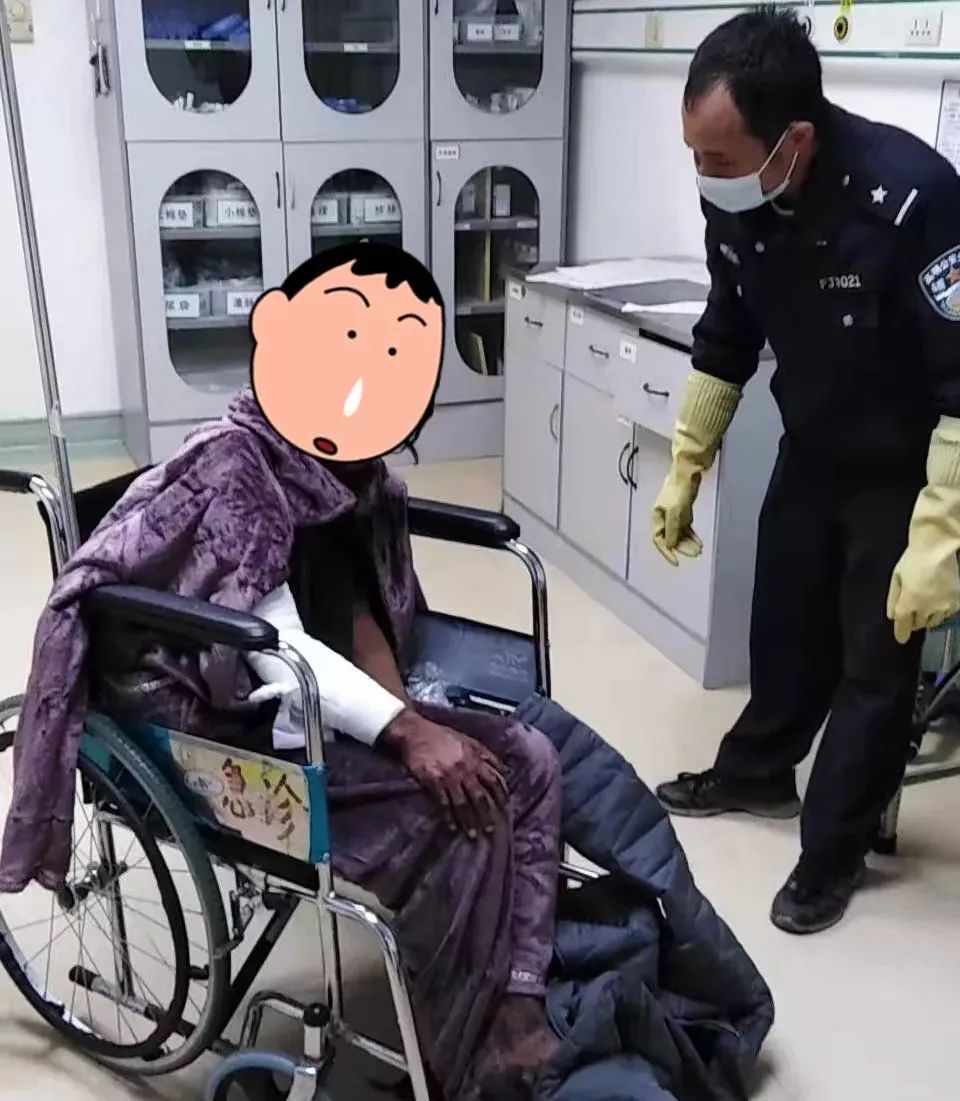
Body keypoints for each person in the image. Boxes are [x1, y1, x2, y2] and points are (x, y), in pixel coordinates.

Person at [1, 243, 561, 1100]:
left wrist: (412, 714)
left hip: (309, 691)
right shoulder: (236, 468)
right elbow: (272, 643)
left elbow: (357, 604)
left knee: (529, 759)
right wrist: (407, 734)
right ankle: (461, 1059)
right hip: (212, 711)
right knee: (459, 821)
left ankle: (517, 995)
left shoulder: (341, 471)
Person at [652, 7, 960, 935]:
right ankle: (757, 772)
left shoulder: (914, 197)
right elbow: (728, 329)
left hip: (907, 473)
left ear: (793, 139)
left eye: (718, 157)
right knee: (784, 621)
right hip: (814, 445)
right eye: (695, 155)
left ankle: (833, 853)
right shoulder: (736, 195)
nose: (704, 176)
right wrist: (687, 460)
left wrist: (941, 533)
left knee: (875, 665)